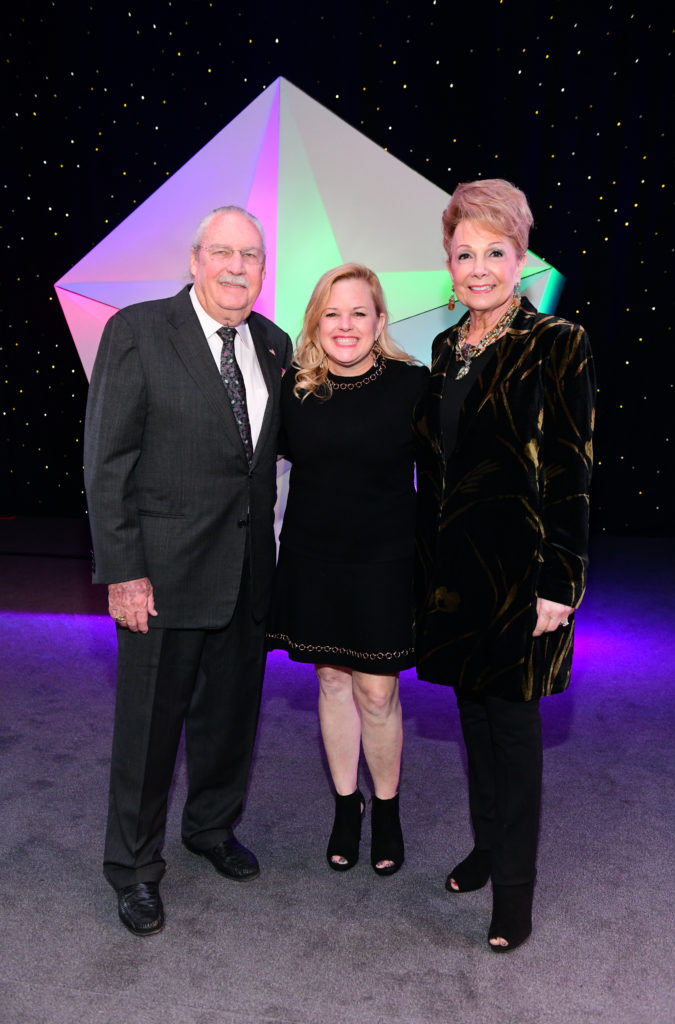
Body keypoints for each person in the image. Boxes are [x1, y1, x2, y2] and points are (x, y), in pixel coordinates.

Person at [84, 205, 292, 936]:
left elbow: (262, 467)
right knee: (147, 729)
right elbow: (107, 462)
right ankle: (134, 868)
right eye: (224, 253)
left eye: (252, 256)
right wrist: (123, 571)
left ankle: (210, 827)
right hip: (161, 577)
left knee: (229, 719)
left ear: (263, 271)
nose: (238, 267)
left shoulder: (273, 343)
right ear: (197, 259)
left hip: (245, 575)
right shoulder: (138, 331)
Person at [413, 179, 596, 951]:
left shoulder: (556, 342)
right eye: (465, 254)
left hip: (524, 576)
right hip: (456, 575)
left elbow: (571, 468)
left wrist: (561, 581)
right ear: (447, 264)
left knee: (512, 732)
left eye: (495, 252)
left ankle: (513, 892)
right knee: (472, 722)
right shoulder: (442, 347)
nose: (479, 268)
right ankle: (486, 847)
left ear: (520, 259)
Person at [267, 264, 428, 876]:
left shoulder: (413, 385)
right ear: (315, 322)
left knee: (377, 690)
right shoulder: (296, 389)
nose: (346, 325)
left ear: (380, 321)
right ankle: (345, 806)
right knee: (331, 683)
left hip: (385, 563)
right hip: (314, 558)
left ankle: (386, 810)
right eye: (332, 313)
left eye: (359, 312)